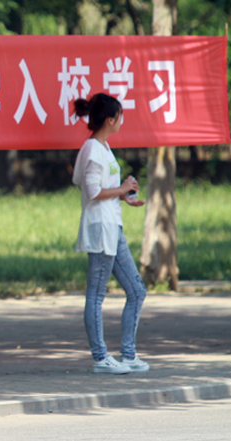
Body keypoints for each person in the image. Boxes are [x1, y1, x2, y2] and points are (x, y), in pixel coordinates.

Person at [72, 93, 148, 375]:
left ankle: (128, 354)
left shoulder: (101, 147)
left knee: (137, 291)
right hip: (101, 228)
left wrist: (124, 195)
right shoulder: (92, 149)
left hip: (112, 227)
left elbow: (89, 183)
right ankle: (101, 357)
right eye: (120, 116)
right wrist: (122, 188)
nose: (121, 120)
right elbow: (92, 191)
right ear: (110, 119)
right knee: (96, 295)